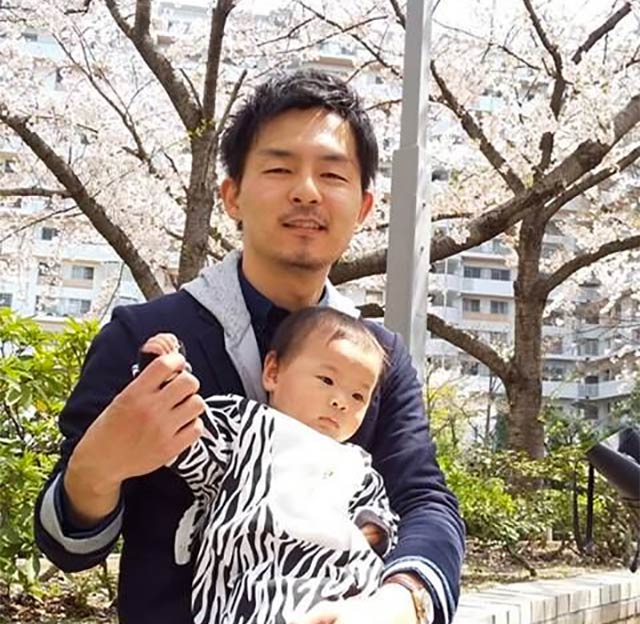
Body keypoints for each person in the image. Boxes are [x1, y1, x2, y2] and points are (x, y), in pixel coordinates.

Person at [34, 69, 465, 624]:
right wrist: (96, 470)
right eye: (280, 168)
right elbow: (68, 547)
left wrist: (401, 600)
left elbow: (423, 500)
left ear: (362, 208)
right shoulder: (140, 337)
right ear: (232, 195)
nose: (306, 191)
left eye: (332, 174)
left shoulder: (378, 358)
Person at [140, 307, 398, 624]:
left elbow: (381, 515)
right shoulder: (246, 425)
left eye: (358, 396)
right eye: (327, 380)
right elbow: (189, 441)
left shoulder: (358, 465)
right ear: (273, 372)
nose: (341, 401)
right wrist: (167, 376)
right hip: (255, 585)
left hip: (342, 589)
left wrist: (374, 529)